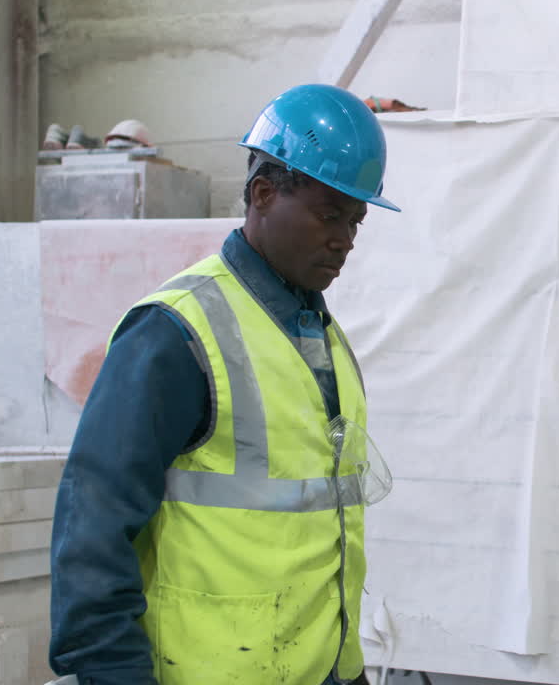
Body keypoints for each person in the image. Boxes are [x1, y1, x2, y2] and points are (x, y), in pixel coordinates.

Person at [48, 83, 399, 685]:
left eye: (356, 220)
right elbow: (92, 535)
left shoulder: (322, 337)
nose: (345, 240)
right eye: (329, 215)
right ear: (263, 194)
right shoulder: (175, 334)